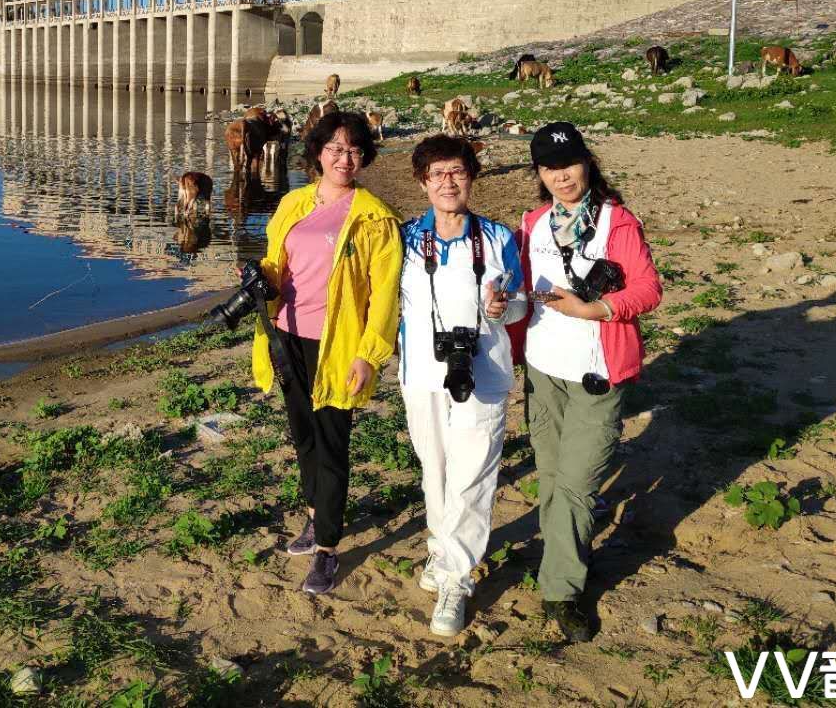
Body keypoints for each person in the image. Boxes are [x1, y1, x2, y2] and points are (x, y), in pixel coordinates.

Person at [507, 122, 662, 643]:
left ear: (587, 162)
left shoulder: (618, 222)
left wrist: (594, 308)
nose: (562, 176)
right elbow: (520, 291)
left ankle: (562, 590)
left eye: (570, 164)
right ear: (539, 174)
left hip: (598, 372)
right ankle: (559, 558)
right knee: (550, 476)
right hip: (543, 369)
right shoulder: (532, 223)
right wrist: (499, 300)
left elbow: (647, 290)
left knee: (576, 483)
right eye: (551, 168)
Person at [250, 109, 403, 595]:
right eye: (335, 148)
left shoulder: (375, 217)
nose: (344, 158)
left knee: (333, 444)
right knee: (305, 438)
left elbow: (385, 295)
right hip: (286, 336)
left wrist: (369, 354)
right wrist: (258, 281)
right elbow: (278, 266)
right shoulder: (293, 203)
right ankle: (316, 520)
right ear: (317, 152)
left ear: (364, 157)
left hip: (339, 345)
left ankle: (328, 551)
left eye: (354, 150)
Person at [397, 135, 526, 636]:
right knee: (437, 470)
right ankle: (440, 550)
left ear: (472, 177)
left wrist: (503, 307)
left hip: (486, 372)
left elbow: (518, 304)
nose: (447, 182)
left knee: (473, 472)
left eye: (457, 172)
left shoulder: (497, 238)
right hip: (422, 374)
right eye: (437, 174)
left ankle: (455, 576)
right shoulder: (406, 238)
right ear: (423, 181)